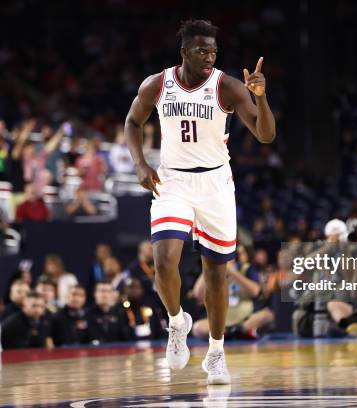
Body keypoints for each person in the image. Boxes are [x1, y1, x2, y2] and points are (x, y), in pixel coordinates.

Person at [124, 19, 275, 384]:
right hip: (172, 179)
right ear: (185, 52)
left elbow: (266, 135)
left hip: (215, 184)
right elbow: (133, 121)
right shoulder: (158, 84)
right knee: (163, 261)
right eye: (202, 50)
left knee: (216, 275)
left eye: (213, 51)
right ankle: (177, 323)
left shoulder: (226, 86)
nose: (209, 56)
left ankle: (216, 352)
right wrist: (140, 163)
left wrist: (260, 96)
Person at [86, 280, 135, 344]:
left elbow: (127, 339)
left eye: (107, 291)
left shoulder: (121, 314)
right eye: (101, 291)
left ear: (113, 294)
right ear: (95, 294)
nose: (104, 294)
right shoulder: (87, 314)